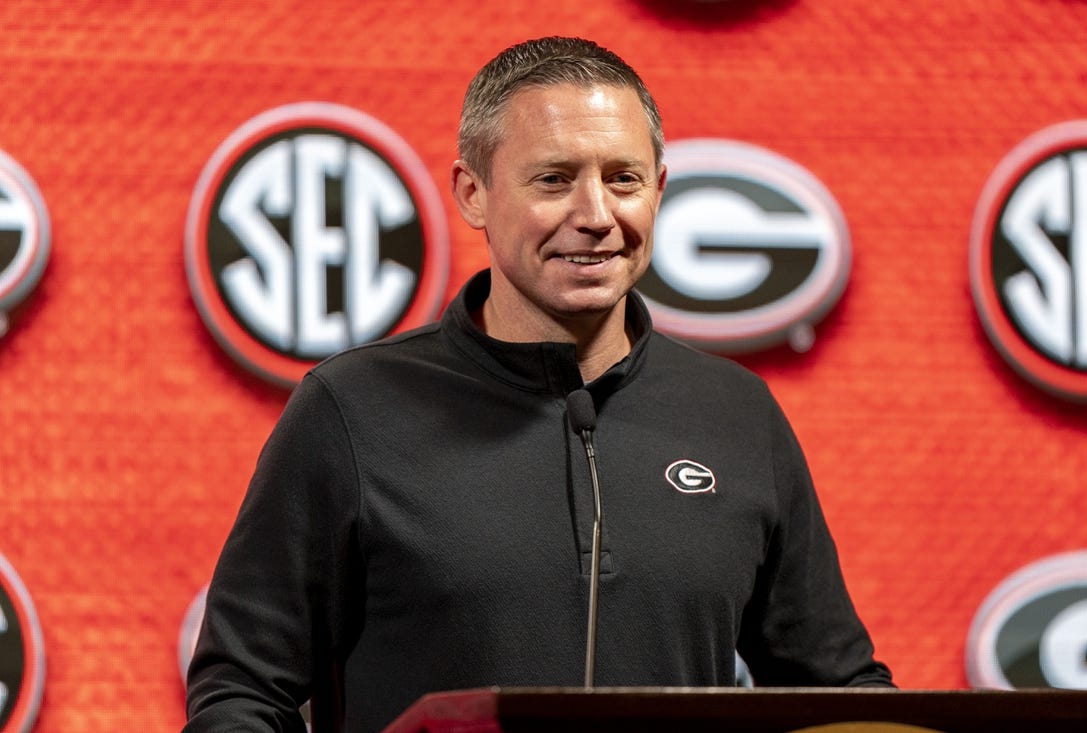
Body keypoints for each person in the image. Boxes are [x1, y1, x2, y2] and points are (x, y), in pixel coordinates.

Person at [184, 36, 893, 733]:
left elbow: (838, 694)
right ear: (474, 193)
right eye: (554, 179)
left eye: (624, 178)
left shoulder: (738, 414)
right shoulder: (350, 410)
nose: (595, 215)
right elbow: (243, 693)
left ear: (660, 191)